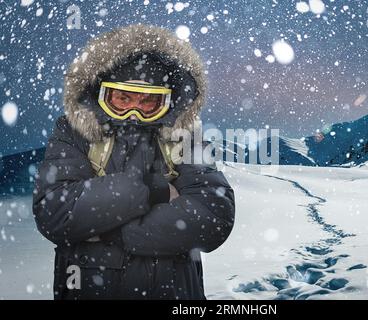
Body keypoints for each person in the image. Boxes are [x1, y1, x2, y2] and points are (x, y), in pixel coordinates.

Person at [32, 24, 235, 300]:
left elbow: (213, 217)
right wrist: (156, 192)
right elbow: (55, 212)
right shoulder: (74, 132)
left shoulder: (185, 137)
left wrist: (108, 232)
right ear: (100, 96)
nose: (134, 113)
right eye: (121, 99)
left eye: (148, 103)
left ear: (168, 103)